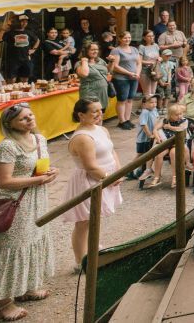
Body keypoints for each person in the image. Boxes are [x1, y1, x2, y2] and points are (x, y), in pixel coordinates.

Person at [0, 102, 58, 322]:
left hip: (36, 200)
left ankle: (26, 287)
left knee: (34, 240)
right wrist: (39, 180)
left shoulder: (39, 139)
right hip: (13, 204)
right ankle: (3, 303)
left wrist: (51, 172)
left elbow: (39, 167)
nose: (30, 119)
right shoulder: (7, 146)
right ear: (10, 124)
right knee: (12, 248)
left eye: (31, 115)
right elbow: (4, 181)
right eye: (23, 118)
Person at [63, 98, 123, 271]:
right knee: (83, 221)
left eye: (100, 110)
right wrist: (108, 178)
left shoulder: (102, 129)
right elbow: (90, 166)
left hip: (106, 177)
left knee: (94, 218)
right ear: (81, 115)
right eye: (94, 111)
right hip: (91, 180)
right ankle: (80, 260)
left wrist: (117, 172)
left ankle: (93, 248)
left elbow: (112, 151)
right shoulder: (82, 138)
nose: (99, 114)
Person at [109, 31, 141, 130]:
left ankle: (127, 119)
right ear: (120, 39)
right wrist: (129, 73)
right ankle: (122, 121)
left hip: (134, 77)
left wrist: (138, 74)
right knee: (122, 99)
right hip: (121, 78)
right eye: (125, 38)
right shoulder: (116, 50)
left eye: (129, 38)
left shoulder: (135, 49)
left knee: (130, 99)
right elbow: (115, 66)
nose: (128, 40)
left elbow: (139, 63)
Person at [0, 14, 40, 83]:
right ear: (17, 22)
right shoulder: (10, 33)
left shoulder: (29, 32)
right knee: (11, 79)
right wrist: (4, 29)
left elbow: (37, 40)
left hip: (26, 58)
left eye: (26, 22)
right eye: (22, 21)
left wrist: (34, 49)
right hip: (13, 59)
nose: (24, 23)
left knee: (25, 79)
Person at [128, 94, 160, 182]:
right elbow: (144, 125)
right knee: (140, 155)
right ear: (144, 104)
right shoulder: (145, 112)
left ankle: (141, 170)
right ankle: (129, 170)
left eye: (155, 102)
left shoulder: (154, 110)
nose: (154, 104)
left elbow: (157, 119)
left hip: (150, 138)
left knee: (146, 155)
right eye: (151, 102)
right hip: (143, 139)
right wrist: (150, 135)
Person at [77, 42, 112, 111]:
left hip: (102, 93)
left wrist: (111, 62)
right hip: (90, 94)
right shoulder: (79, 63)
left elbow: (107, 70)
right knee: (90, 116)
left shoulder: (100, 60)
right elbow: (84, 74)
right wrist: (84, 61)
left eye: (97, 49)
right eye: (92, 50)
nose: (95, 51)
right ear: (86, 51)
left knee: (100, 116)